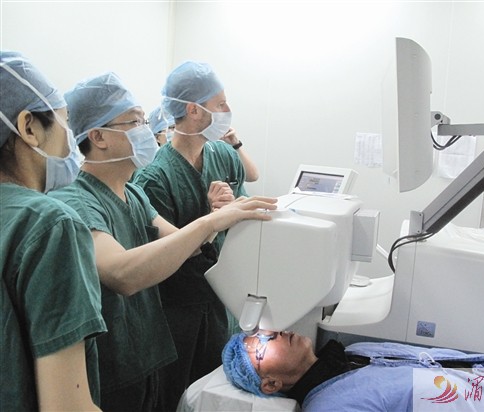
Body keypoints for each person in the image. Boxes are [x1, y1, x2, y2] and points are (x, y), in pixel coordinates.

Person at [49, 71, 277, 412]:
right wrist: (211, 221)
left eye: (144, 121)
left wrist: (222, 216)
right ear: (98, 136)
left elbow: (185, 244)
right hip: (111, 363)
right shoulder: (75, 200)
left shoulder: (133, 194)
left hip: (145, 353)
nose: (147, 131)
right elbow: (122, 274)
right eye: (135, 122)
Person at [132, 61, 260, 411]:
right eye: (220, 104)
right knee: (176, 395)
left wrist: (234, 212)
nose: (227, 110)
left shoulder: (223, 155)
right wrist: (212, 219)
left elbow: (242, 216)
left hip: (222, 300)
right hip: (177, 311)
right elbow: (163, 254)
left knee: (218, 393)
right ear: (193, 110)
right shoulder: (154, 177)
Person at [0, 51, 106, 411]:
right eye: (66, 122)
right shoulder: (49, 225)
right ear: (29, 127)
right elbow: (67, 406)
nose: (71, 140)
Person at [222, 331, 484, 411]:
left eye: (268, 331)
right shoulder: (331, 406)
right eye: (263, 344)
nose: (276, 333)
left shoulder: (357, 352)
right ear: (270, 384)